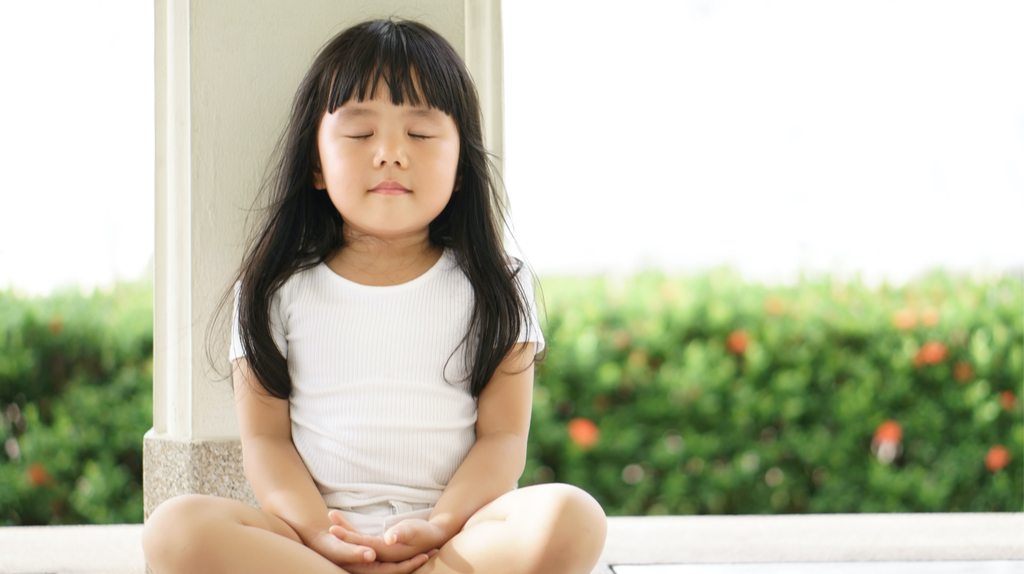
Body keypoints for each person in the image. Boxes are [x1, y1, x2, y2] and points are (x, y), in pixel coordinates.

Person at [142, 18, 607, 574]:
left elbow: (503, 437)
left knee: (573, 516)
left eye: (421, 134)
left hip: (454, 539)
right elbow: (266, 443)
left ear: (461, 166)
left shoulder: (500, 284)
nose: (390, 153)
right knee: (175, 530)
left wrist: (439, 527)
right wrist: (320, 535)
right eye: (361, 134)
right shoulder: (271, 286)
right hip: (316, 546)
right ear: (317, 163)